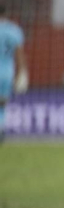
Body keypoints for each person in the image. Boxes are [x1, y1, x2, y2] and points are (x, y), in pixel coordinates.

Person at [0, 11, 26, 142]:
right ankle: (1, 129)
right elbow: (19, 52)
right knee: (2, 102)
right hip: (7, 72)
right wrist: (22, 72)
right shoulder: (14, 30)